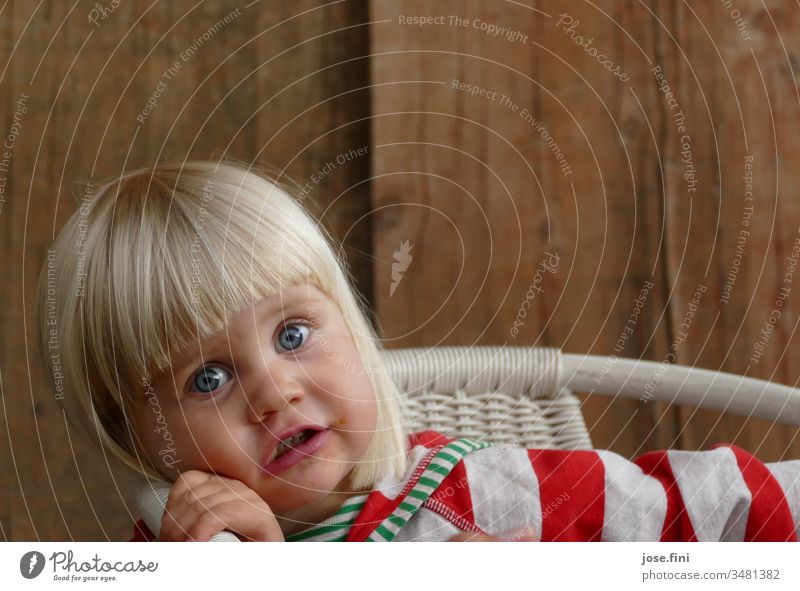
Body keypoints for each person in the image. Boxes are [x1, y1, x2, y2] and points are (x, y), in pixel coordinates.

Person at [38, 161, 800, 542]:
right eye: (208, 375)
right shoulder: (180, 555)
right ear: (135, 435)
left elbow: (706, 506)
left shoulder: (480, 494)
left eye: (293, 334)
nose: (274, 393)